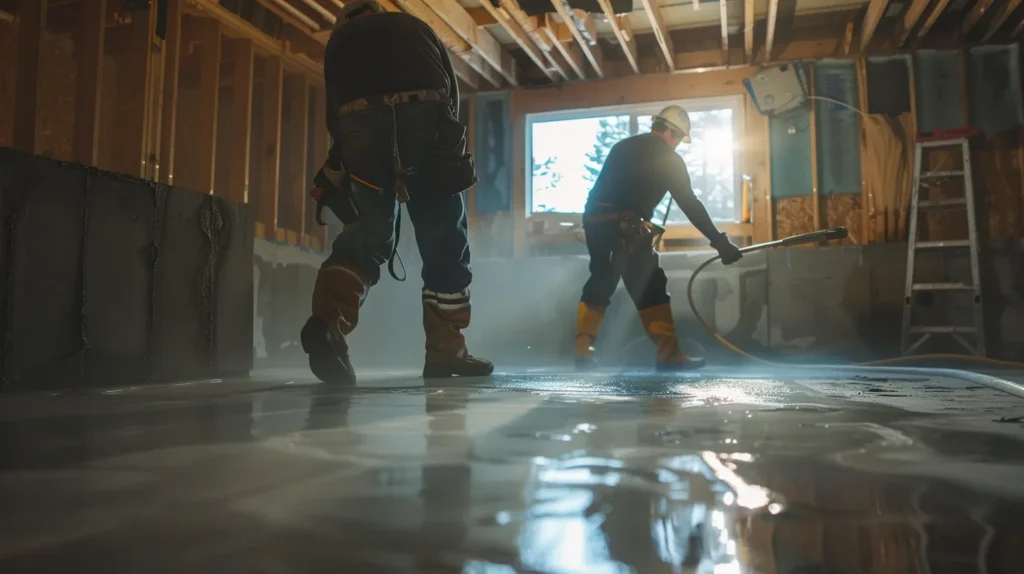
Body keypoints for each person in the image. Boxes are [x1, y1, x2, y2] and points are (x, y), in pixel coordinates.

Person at [302, 1, 493, 385]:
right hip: (425, 117)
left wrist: (338, 169)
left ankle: (328, 325)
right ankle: (446, 351)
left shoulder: (339, 42)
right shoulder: (413, 24)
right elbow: (450, 95)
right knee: (443, 235)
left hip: (358, 128)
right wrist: (445, 161)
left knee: (366, 235)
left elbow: (335, 117)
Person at [575, 105, 743, 371]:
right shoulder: (668, 158)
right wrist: (720, 242)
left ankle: (583, 348)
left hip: (595, 225)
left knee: (601, 279)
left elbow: (603, 190)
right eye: (677, 139)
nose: (676, 145)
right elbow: (690, 204)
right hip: (626, 228)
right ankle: (669, 352)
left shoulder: (622, 146)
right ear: (672, 133)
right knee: (651, 285)